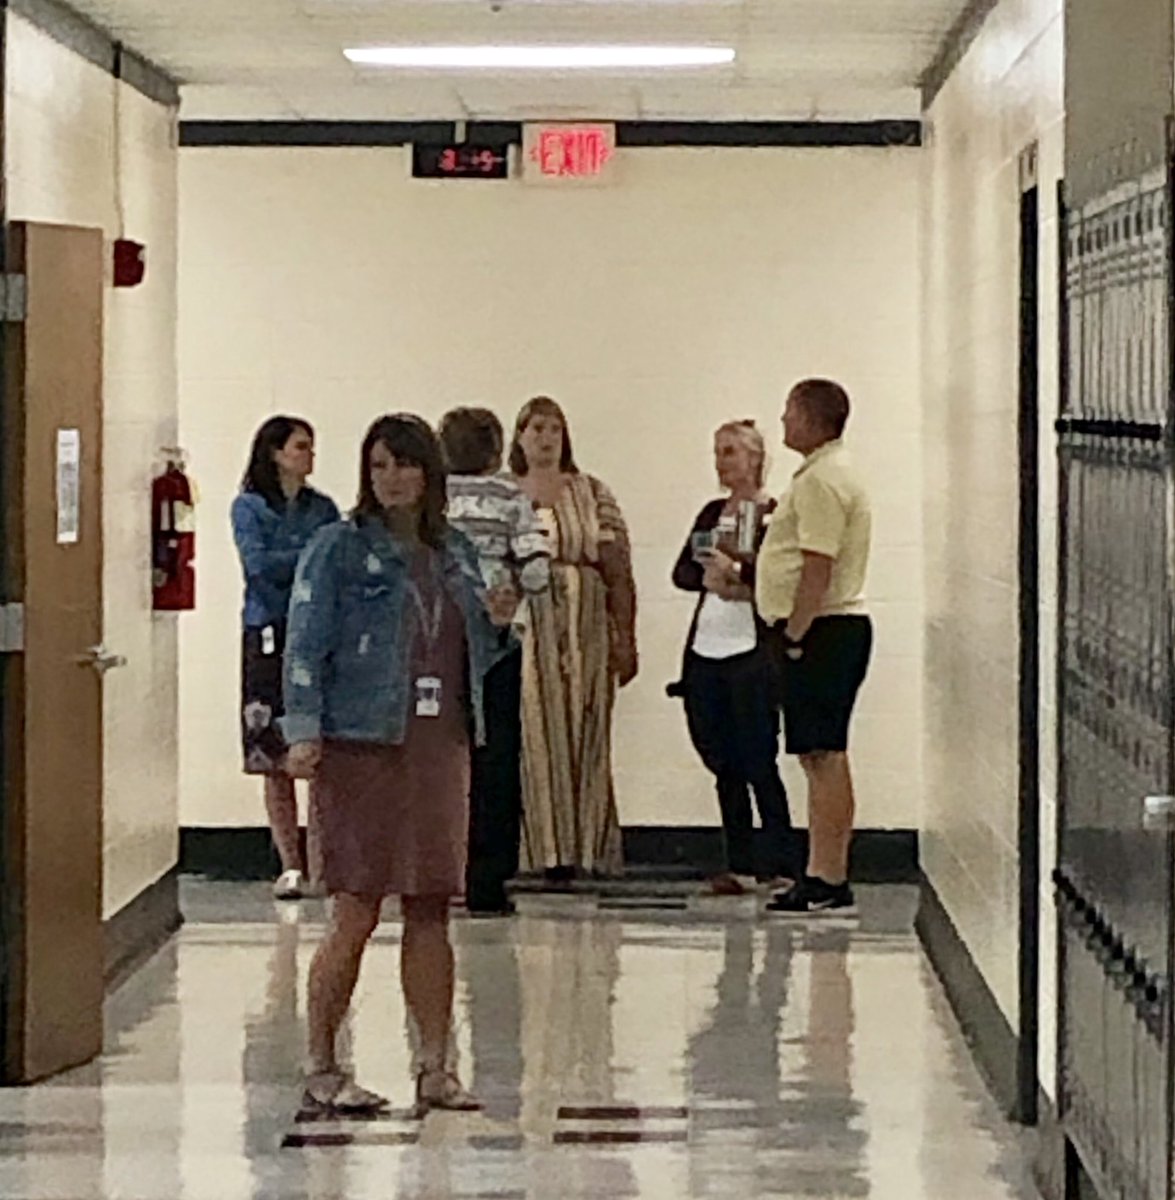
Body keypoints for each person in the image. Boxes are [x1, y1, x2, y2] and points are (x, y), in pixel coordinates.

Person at [282, 414, 518, 1115]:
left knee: (430, 909)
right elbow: (306, 640)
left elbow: (480, 646)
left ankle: (435, 1066)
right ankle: (324, 1065)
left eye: (405, 465)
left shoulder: (455, 553)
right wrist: (302, 729)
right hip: (361, 745)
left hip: (438, 746)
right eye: (380, 465)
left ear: (430, 474)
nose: (391, 479)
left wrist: (499, 620)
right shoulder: (339, 548)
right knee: (354, 908)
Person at [752, 378, 873, 915]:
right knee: (817, 754)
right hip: (824, 629)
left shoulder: (821, 481)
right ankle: (823, 869)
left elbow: (817, 565)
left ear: (810, 417)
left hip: (823, 629)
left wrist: (796, 633)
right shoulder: (825, 472)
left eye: (788, 412)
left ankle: (827, 875)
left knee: (824, 755)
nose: (782, 422)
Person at [510, 396, 638, 879]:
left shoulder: (591, 490)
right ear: (519, 436)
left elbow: (618, 568)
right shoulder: (506, 494)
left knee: (587, 733)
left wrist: (626, 635)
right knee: (536, 735)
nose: (545, 437)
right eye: (536, 428)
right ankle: (540, 852)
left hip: (586, 625)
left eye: (554, 429)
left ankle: (588, 851)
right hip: (530, 629)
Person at [670, 420, 798, 897]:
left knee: (759, 758)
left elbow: (776, 576)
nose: (723, 462)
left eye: (731, 452)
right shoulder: (710, 513)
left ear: (755, 459)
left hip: (751, 649)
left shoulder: (774, 515)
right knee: (722, 758)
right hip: (708, 646)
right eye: (718, 452)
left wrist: (740, 579)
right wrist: (708, 577)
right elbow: (683, 570)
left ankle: (780, 860)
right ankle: (738, 861)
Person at [439, 406, 551, 915]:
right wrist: (514, 592)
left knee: (441, 759)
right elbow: (536, 568)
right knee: (497, 759)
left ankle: (440, 870)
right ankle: (488, 879)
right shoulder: (511, 496)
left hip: (436, 643)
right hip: (497, 640)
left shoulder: (432, 498)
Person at [231, 416, 339, 900]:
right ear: (275, 453)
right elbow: (258, 568)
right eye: (300, 446)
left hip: (316, 631)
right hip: (268, 631)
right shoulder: (248, 507)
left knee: (319, 750)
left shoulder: (324, 508)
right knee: (271, 752)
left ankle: (323, 861)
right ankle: (289, 862)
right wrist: (306, 556)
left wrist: (295, 558)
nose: (309, 455)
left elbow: (336, 561)